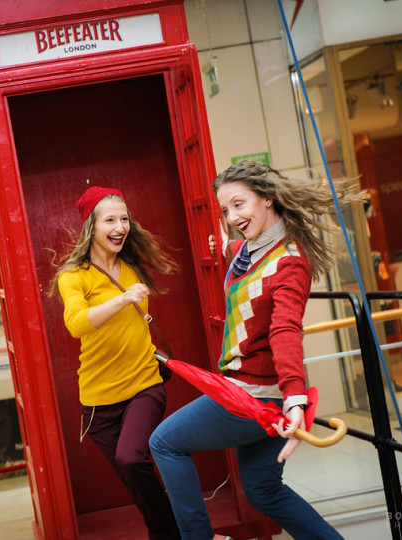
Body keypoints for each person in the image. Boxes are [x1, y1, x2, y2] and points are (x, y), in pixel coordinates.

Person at [149, 160, 358, 540]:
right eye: (226, 210)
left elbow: (284, 329)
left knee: (163, 443)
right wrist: (225, 245)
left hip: (254, 397)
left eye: (239, 205)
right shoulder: (252, 249)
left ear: (268, 199)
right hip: (260, 394)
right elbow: (245, 258)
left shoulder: (289, 262)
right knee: (262, 489)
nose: (232, 217)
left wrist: (296, 398)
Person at [52, 186, 181, 540]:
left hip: (143, 385)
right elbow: (77, 324)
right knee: (135, 477)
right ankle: (174, 532)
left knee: (130, 459)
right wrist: (123, 300)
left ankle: (172, 533)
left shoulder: (132, 267)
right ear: (90, 227)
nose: (120, 226)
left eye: (124, 218)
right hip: (97, 402)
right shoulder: (73, 276)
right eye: (110, 219)